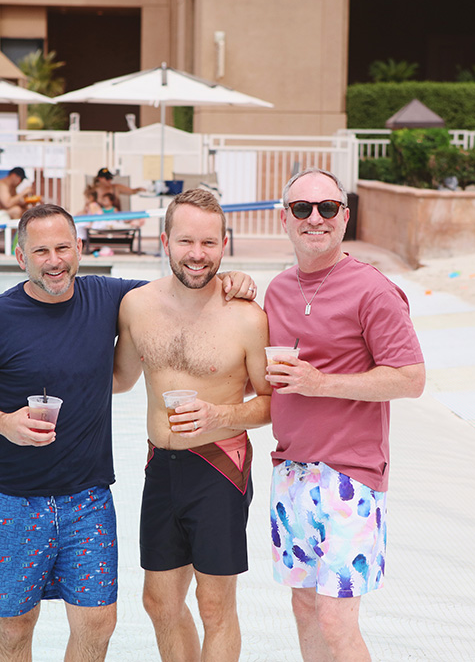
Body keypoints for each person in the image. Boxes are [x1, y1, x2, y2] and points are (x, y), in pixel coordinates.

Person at [0, 203, 257, 662]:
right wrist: (2, 422)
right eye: (40, 250)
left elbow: (187, 279)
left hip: (86, 498)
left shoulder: (110, 298)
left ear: (79, 249)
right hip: (5, 496)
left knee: (99, 622)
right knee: (15, 626)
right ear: (20, 257)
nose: (54, 260)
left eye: (63, 247)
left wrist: (232, 277)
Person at [263, 169, 426, 662]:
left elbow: (410, 378)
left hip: (349, 477)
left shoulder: (373, 290)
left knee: (336, 619)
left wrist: (321, 384)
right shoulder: (276, 290)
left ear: (345, 216)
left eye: (327, 208)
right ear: (285, 219)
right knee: (304, 606)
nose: (315, 218)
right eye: (302, 209)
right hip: (291, 472)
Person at [112, 188, 271, 662]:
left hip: (219, 468)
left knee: (215, 605)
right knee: (159, 602)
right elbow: (118, 380)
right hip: (160, 466)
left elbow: (272, 404)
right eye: (185, 242)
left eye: (208, 243)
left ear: (225, 243)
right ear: (165, 241)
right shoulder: (136, 306)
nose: (197, 255)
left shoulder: (248, 317)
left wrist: (219, 414)